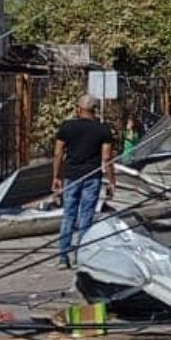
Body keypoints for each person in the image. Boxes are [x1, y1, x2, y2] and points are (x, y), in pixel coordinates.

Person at [52, 95, 116, 268]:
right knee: (86, 216)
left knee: (68, 215)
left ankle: (63, 257)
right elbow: (107, 157)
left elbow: (58, 153)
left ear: (78, 108)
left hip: (71, 176)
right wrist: (111, 181)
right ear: (94, 110)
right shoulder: (103, 130)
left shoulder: (67, 127)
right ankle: (81, 255)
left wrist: (56, 176)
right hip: (92, 177)